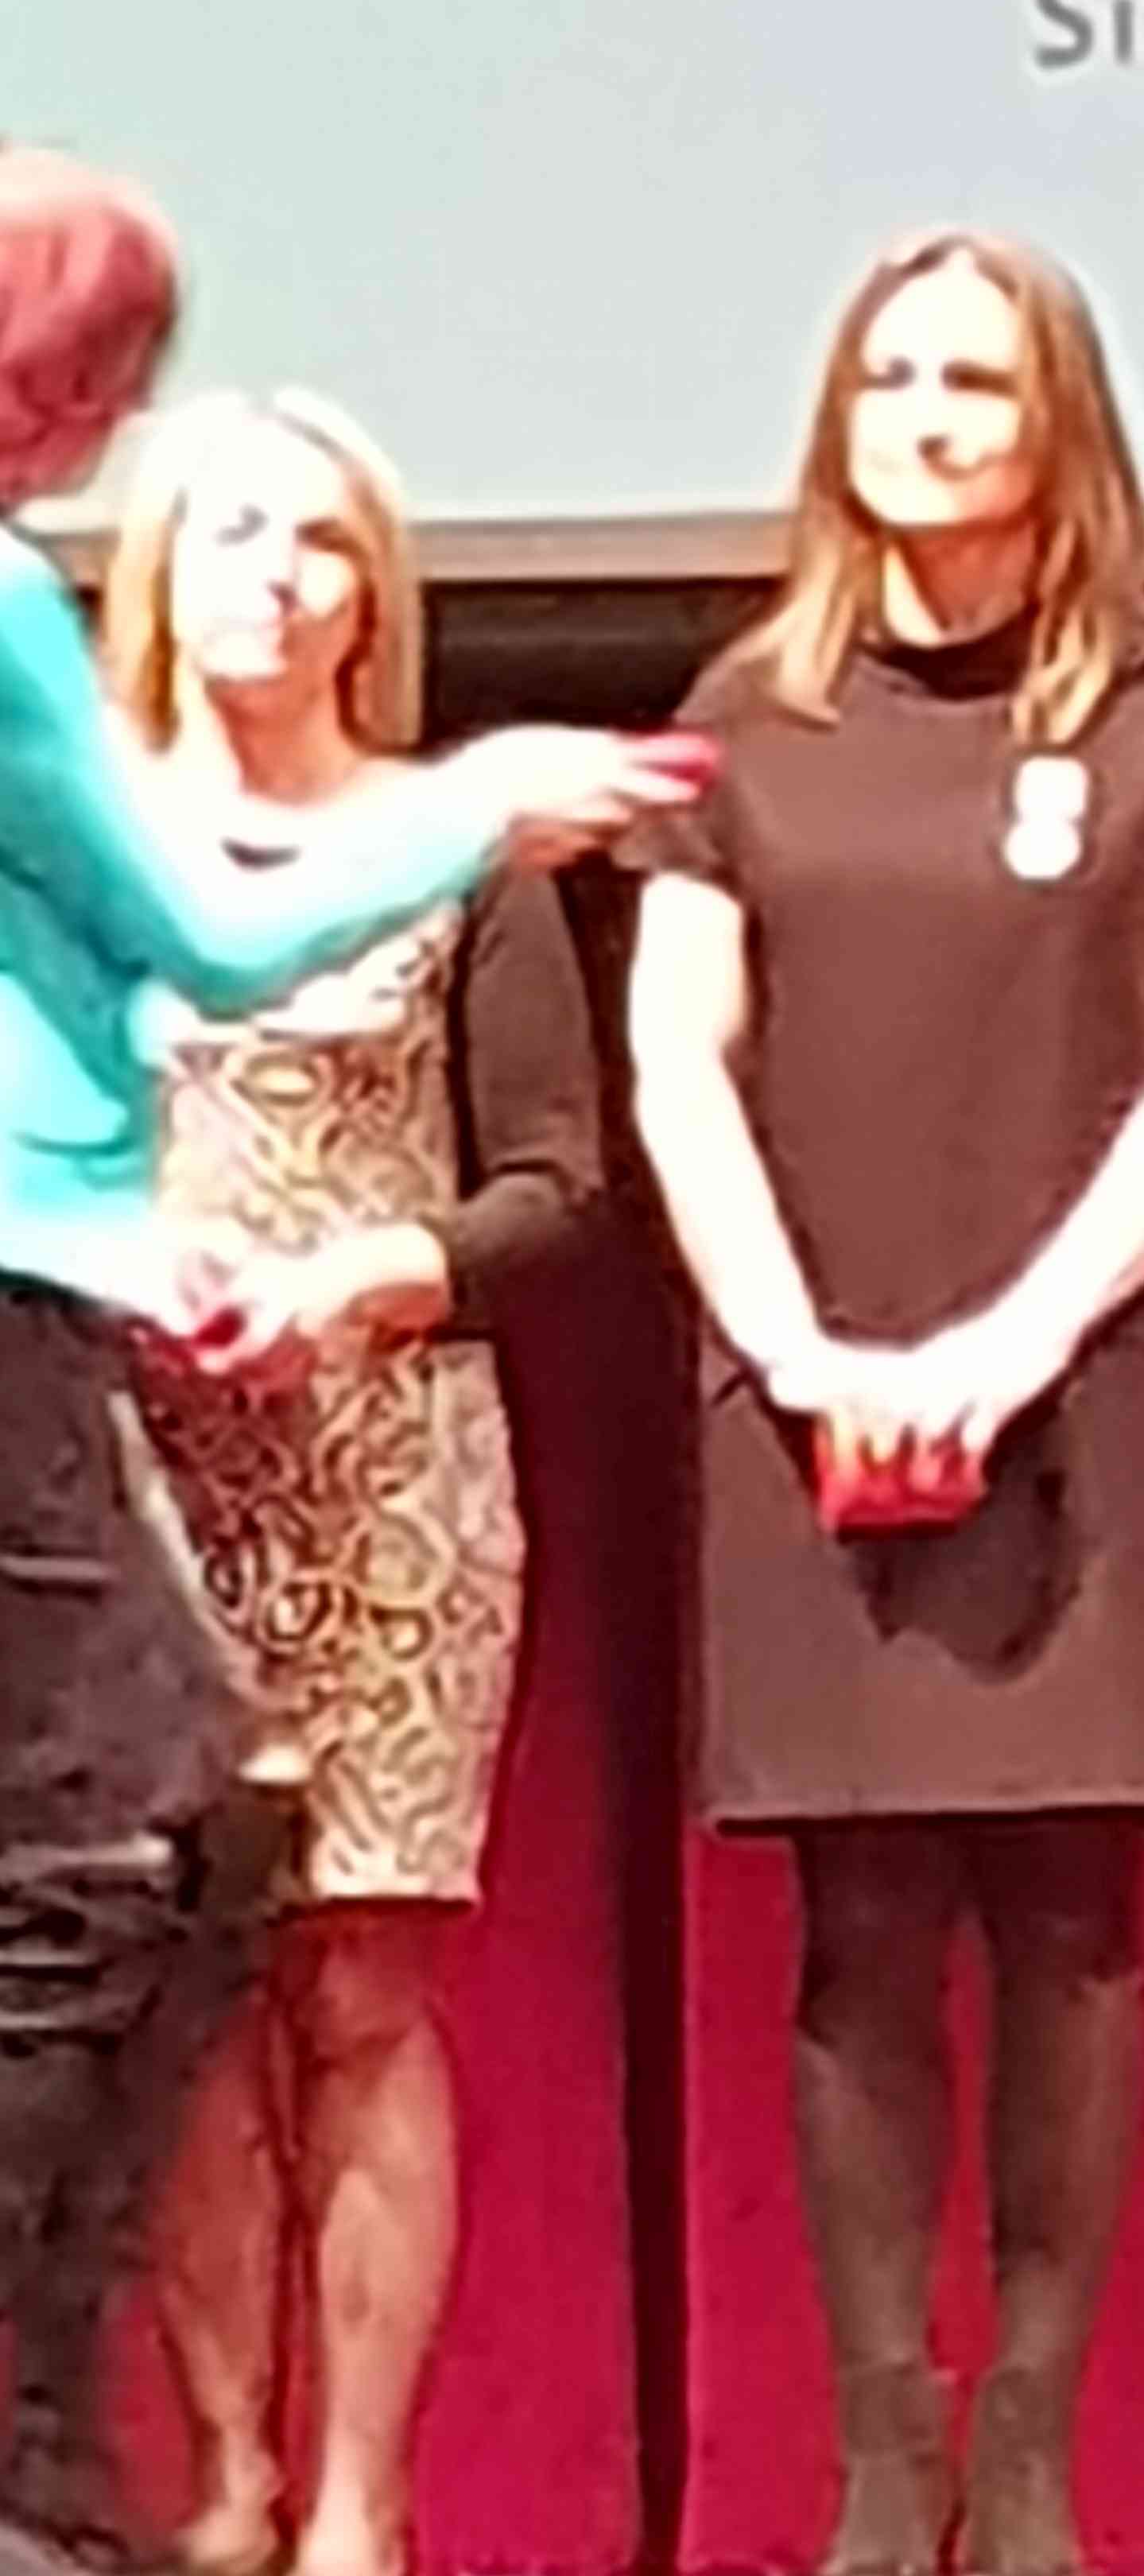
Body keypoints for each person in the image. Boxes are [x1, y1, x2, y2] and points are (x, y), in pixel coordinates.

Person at [0, 149, 692, 2571]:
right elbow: (182, 943)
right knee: (128, 1878)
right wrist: (482, 811)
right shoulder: (19, 646)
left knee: (208, 1874)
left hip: (228, 1371)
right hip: (58, 1350)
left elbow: (541, 1179)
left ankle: (154, 2473)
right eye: (114, 395)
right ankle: (78, 2458)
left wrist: (200, 1248)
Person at [626, 229, 1144, 2576]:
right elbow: (676, 1059)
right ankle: (880, 2467)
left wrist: (1014, 1349)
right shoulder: (750, 711)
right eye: (892, 379)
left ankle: (1027, 2469)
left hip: (1092, 1377)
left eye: (979, 383)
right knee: (859, 1923)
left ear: (1059, 425)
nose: (927, 419)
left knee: (1071, 1920)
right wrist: (800, 1354)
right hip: (812, 1376)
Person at [89, 387, 606, 2576]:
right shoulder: (66, 861)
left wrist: (377, 1278)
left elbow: (557, 1185)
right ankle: (226, 2484)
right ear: (157, 577)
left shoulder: (459, 853)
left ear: (370, 599)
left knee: (362, 1991)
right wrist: (118, 1261)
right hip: (134, 1480)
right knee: (183, 1995)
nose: (275, 578)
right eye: (232, 534)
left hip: (389, 1477)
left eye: (318, 543)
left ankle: (363, 2510)